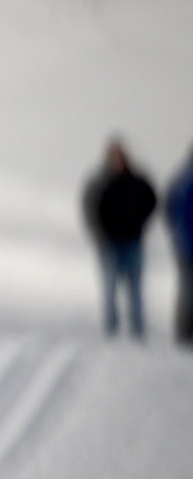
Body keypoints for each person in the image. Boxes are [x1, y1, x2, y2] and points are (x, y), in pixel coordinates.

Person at [82, 138, 157, 341]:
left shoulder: (137, 180)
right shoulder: (100, 181)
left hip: (132, 242)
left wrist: (141, 223)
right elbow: (88, 206)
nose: (119, 161)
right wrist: (96, 230)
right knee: (109, 287)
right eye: (115, 156)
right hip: (109, 244)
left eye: (121, 156)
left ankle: (137, 330)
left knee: (135, 289)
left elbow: (152, 200)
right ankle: (111, 329)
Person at [167, 144, 193, 347]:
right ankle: (184, 331)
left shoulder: (180, 179)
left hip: (184, 243)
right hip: (186, 246)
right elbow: (170, 209)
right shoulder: (183, 180)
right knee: (186, 290)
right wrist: (178, 235)